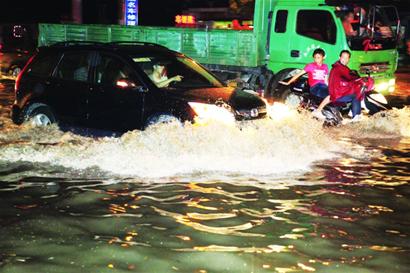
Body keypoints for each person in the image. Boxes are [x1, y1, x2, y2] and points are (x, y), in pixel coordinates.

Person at [279, 48, 330, 120]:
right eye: (315, 58)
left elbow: (325, 79)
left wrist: (329, 87)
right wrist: (288, 82)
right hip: (315, 87)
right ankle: (318, 111)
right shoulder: (310, 66)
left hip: (323, 86)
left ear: (323, 57)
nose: (316, 60)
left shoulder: (325, 66)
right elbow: (298, 74)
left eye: (318, 58)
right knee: (332, 95)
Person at [328, 50, 362, 122]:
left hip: (339, 92)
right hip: (337, 94)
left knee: (356, 91)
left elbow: (349, 77)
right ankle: (356, 117)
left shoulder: (340, 67)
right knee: (356, 96)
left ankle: (352, 110)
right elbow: (349, 78)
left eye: (347, 58)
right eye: (343, 57)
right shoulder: (339, 68)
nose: (345, 60)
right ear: (339, 57)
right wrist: (358, 80)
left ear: (349, 59)